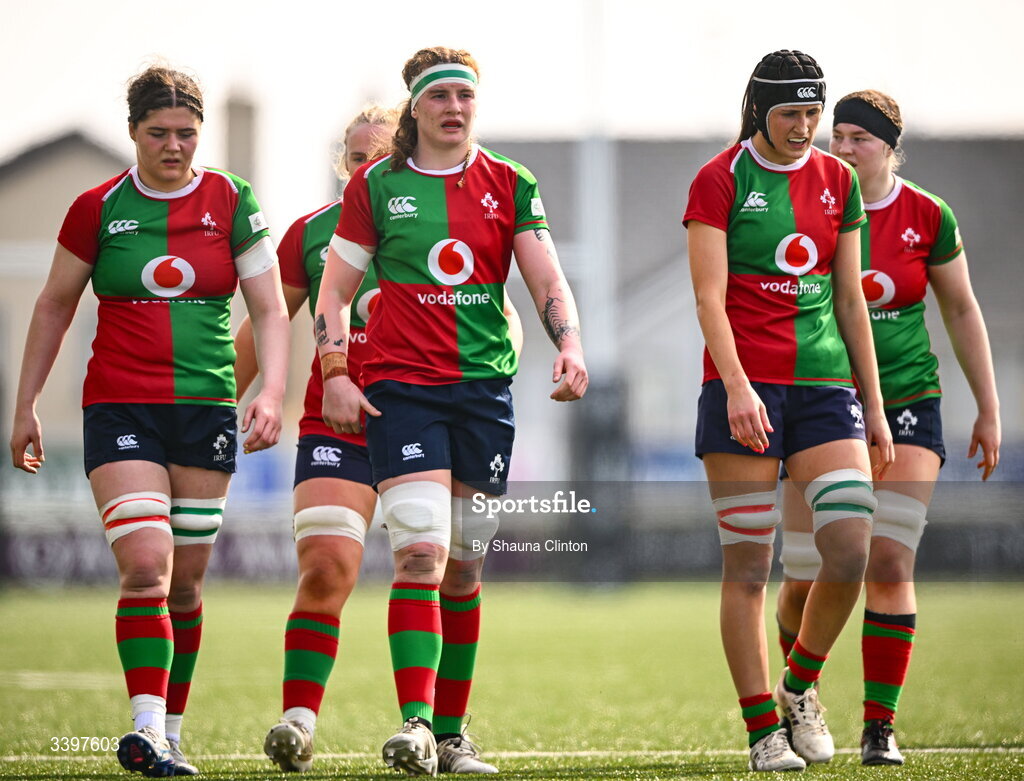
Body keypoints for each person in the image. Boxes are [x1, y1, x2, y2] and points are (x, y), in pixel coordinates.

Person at [9, 65, 289, 778]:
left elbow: (269, 307)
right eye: (159, 133)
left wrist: (271, 392)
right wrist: (26, 404)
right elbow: (52, 306)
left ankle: (171, 730)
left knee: (187, 584)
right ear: (132, 132)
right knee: (145, 568)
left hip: (205, 409)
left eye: (187, 134)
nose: (174, 147)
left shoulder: (230, 199)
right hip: (120, 406)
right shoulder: (96, 207)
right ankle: (145, 729)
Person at [314, 46, 588, 776]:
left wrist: (570, 342)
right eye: (440, 97)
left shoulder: (510, 182)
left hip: (483, 396)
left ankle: (454, 732)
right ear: (417, 107)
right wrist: (336, 371)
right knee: (420, 552)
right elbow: (334, 291)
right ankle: (415, 723)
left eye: (465, 95)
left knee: (464, 568)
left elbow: (543, 274)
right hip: (402, 390)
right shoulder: (376, 186)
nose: (455, 108)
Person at [233, 105, 523, 773]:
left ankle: (443, 736)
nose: (373, 168)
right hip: (341, 427)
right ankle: (299, 720)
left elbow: (503, 317)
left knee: (450, 570)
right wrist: (223, 400)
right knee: (327, 565)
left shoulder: (446, 221)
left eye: (384, 156)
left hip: (431, 423)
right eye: (361, 158)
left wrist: (494, 372)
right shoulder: (310, 234)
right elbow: (267, 325)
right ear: (346, 167)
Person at [683, 50, 895, 773]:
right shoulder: (719, 179)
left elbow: (849, 299)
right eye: (790, 114)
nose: (805, 127)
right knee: (747, 568)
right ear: (758, 111)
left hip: (825, 389)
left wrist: (874, 404)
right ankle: (760, 732)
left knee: (850, 546)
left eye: (814, 113)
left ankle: (798, 687)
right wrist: (738, 387)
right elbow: (709, 297)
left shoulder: (839, 181)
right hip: (742, 388)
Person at [775, 89, 1000, 766]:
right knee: (805, 570)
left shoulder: (927, 215)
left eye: (857, 138)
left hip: (907, 405)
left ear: (890, 148)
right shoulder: (805, 202)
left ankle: (879, 725)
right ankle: (800, 691)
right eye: (834, 135)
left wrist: (988, 405)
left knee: (890, 558)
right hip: (819, 406)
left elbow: (960, 309)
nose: (841, 148)